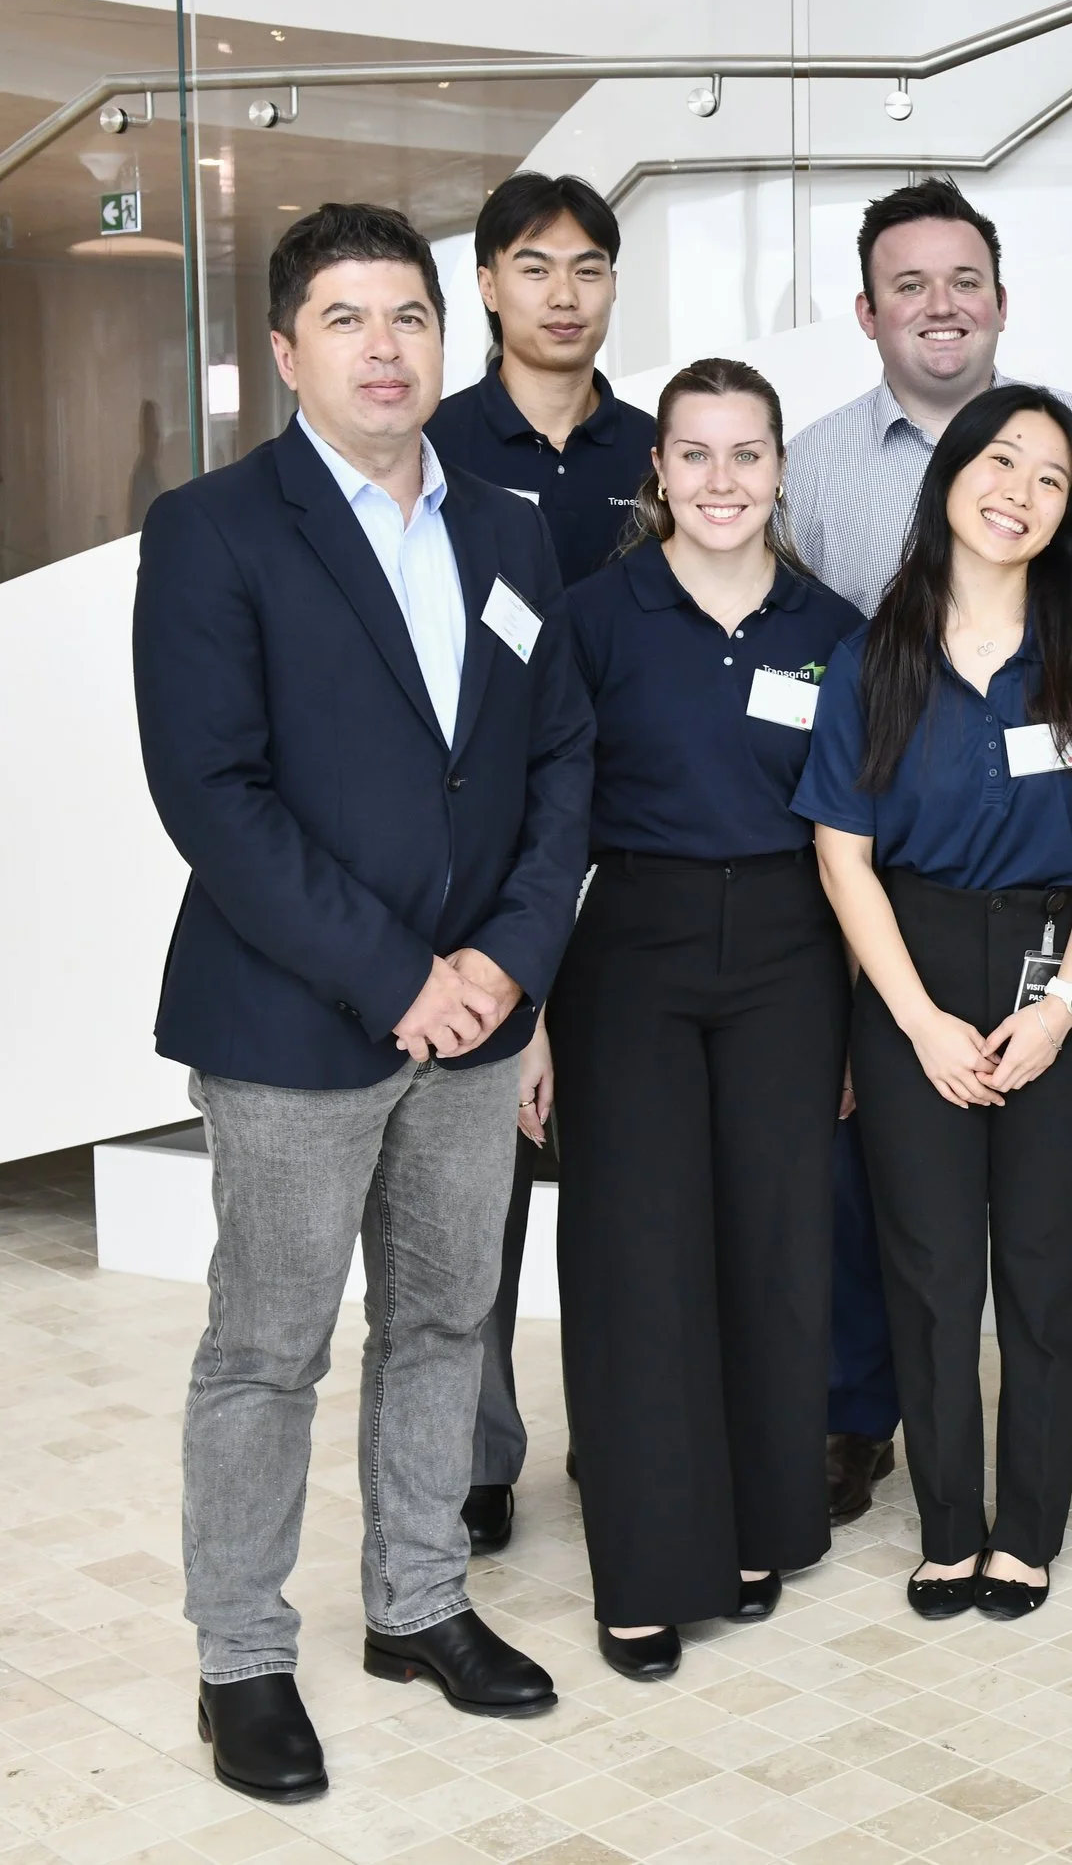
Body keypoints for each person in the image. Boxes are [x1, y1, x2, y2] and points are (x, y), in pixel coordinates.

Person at [132, 203, 591, 1802]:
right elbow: (213, 795)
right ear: (285, 351)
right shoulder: (215, 528)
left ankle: (416, 1604)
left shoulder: (509, 530)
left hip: (479, 1023)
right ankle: (242, 1657)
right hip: (295, 1027)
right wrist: (403, 976)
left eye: (408, 316)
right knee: (266, 1347)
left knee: (445, 1324)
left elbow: (555, 768)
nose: (386, 346)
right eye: (348, 318)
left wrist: (505, 965)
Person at [782, 178, 1072, 1523]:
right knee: (927, 1262)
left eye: (1050, 481)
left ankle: (1034, 1515)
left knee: (1050, 1260)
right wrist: (917, 1019)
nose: (1022, 493)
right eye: (1000, 467)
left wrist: (1066, 1000)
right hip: (914, 964)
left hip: (1062, 954)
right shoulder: (869, 657)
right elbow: (841, 851)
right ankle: (948, 1525)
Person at [544, 358, 861, 1681]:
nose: (723, 481)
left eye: (748, 454)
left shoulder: (833, 628)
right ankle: (642, 1572)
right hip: (633, 956)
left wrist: (854, 1016)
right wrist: (532, 1022)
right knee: (638, 1263)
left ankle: (755, 1526)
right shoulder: (596, 618)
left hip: (791, 957)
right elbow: (544, 824)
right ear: (658, 471)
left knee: (776, 1253)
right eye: (697, 454)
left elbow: (858, 835)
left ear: (782, 470)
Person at [428, 170, 658, 1558]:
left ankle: (626, 1434)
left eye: (587, 267)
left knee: (626, 1186)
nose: (562, 292)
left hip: (641, 846)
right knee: (478, 1197)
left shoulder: (659, 447)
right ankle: (478, 1456)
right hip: (492, 855)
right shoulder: (440, 444)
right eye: (534, 267)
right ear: (491, 286)